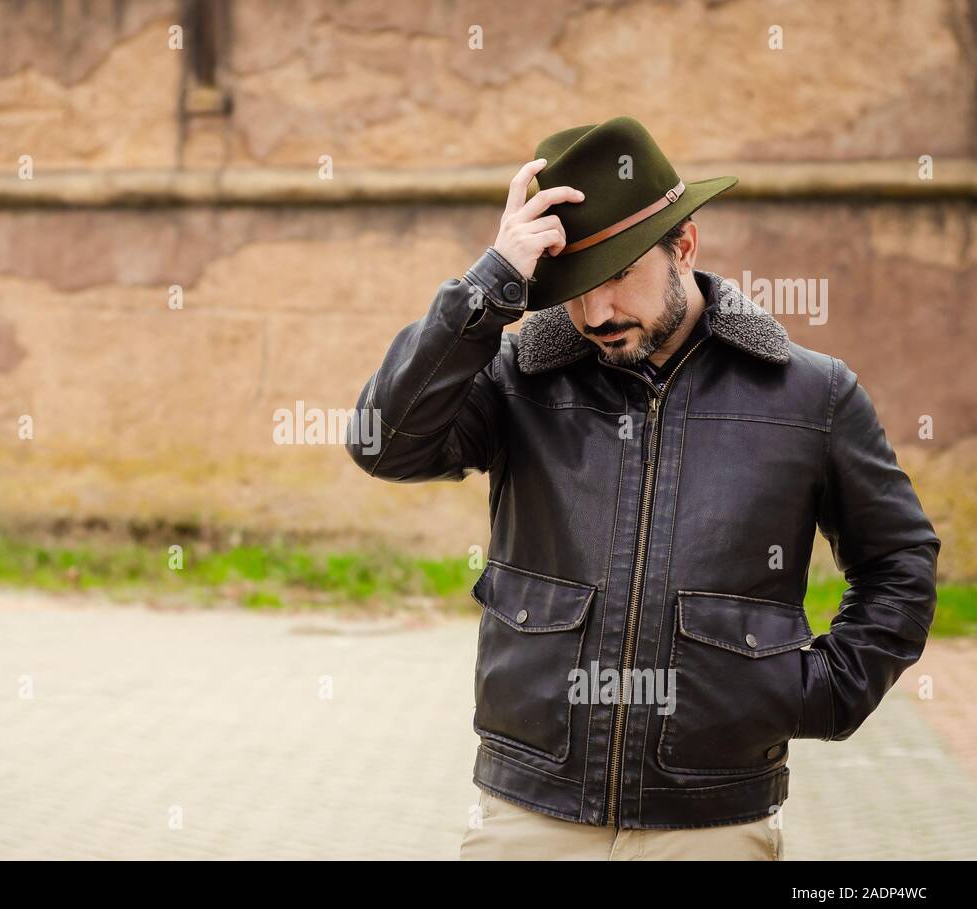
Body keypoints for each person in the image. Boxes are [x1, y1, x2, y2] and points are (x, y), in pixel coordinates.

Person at [343, 116, 940, 860]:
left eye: (618, 274)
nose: (595, 314)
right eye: (573, 287)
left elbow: (900, 563)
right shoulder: (521, 379)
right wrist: (489, 283)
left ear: (683, 245)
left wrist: (818, 691)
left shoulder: (810, 395)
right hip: (531, 809)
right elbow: (382, 443)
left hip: (711, 818)